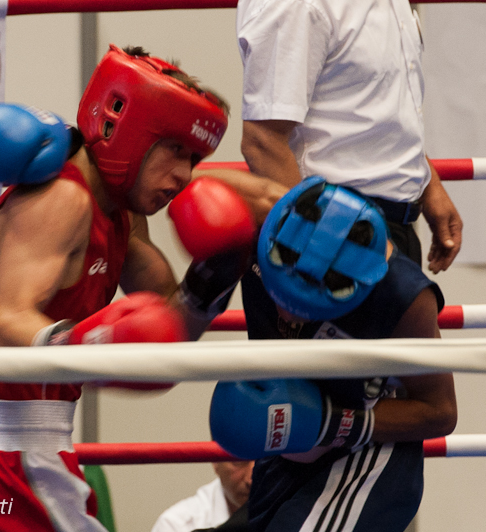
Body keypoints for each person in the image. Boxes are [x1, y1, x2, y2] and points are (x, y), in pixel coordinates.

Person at [0, 45, 265, 532]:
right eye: (175, 151)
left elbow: (169, 326)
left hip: (19, 458)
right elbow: (9, 320)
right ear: (122, 128)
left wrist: (216, 273)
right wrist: (85, 344)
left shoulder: (122, 215)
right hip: (1, 462)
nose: (185, 176)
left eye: (194, 158)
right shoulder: (61, 199)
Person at [209, 177, 458, 532]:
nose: (288, 316)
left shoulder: (403, 295)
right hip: (285, 443)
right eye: (281, 295)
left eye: (308, 307)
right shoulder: (251, 222)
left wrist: (332, 421)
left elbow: (441, 412)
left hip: (366, 453)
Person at [235, 0, 463, 275]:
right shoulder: (297, 4)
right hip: (325, 228)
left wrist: (427, 184)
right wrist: (321, 245)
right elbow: (262, 141)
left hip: (391, 224)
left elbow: (373, 105)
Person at [152, 461, 254, 532]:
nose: (251, 480)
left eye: (263, 461)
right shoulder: (176, 525)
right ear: (216, 462)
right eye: (239, 461)